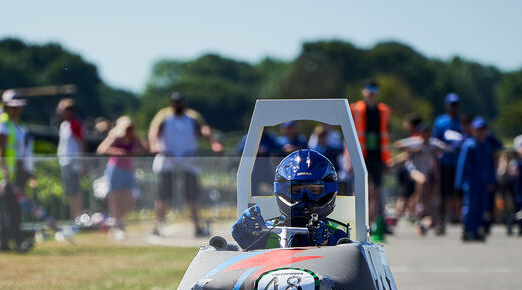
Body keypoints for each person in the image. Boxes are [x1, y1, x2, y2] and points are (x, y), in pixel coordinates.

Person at [232, 149, 347, 250]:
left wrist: (327, 242)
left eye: (314, 191)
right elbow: (244, 242)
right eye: (296, 191)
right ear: (282, 190)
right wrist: (244, 227)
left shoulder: (336, 235)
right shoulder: (267, 230)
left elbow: (348, 257)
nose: (304, 197)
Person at [148, 92, 223, 237]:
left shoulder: (193, 116)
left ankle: (197, 226)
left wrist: (214, 143)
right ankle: (157, 226)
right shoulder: (163, 115)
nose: (177, 104)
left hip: (188, 161)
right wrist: (154, 145)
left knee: (192, 196)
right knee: (164, 197)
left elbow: (204, 129)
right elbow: (154, 130)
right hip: (167, 160)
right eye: (174, 102)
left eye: (179, 101)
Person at [0, 89, 35, 253]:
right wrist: (5, 176)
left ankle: (4, 243)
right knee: (11, 210)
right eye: (14, 106)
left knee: (11, 209)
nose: (18, 109)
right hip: (6, 175)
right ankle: (16, 242)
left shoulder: (15, 125)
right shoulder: (3, 125)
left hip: (15, 174)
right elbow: (1, 152)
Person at [350, 79, 391, 242]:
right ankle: (360, 221)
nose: (371, 92)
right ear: (363, 91)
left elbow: (386, 135)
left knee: (377, 192)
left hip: (378, 157)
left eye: (374, 89)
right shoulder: (357, 109)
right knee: (362, 191)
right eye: (369, 89)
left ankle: (377, 223)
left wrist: (387, 160)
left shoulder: (383, 111)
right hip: (362, 156)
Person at [96, 116, 148, 240]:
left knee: (130, 200)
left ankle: (115, 222)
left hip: (129, 170)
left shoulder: (134, 137)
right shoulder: (115, 136)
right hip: (115, 170)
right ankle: (116, 227)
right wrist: (121, 152)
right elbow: (101, 149)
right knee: (114, 199)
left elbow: (145, 148)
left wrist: (135, 152)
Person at [393, 123, 447, 235]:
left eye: (428, 135)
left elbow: (446, 147)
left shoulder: (433, 143)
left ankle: (429, 216)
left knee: (430, 195)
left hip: (428, 174)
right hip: (414, 171)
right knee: (421, 181)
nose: (425, 138)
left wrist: (436, 151)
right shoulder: (415, 142)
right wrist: (413, 149)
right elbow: (398, 144)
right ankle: (418, 205)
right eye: (424, 135)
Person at [455, 117, 496, 241]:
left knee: (481, 207)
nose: (481, 132)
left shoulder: (486, 146)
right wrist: (459, 182)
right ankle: (467, 230)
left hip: (483, 181)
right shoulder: (469, 145)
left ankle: (477, 230)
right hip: (472, 181)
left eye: (483, 129)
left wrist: (491, 181)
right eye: (478, 129)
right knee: (470, 206)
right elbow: (462, 165)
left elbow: (490, 166)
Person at [433, 93, 465, 234]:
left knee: (459, 193)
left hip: (459, 163)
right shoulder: (441, 122)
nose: (454, 108)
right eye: (451, 105)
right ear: (447, 105)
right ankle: (441, 221)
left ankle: (461, 221)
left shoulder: (462, 122)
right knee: (443, 193)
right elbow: (435, 142)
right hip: (445, 162)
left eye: (456, 105)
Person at [56, 98, 87, 222]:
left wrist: (83, 163)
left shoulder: (75, 124)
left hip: (73, 163)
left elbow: (82, 143)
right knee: (70, 192)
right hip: (65, 162)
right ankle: (74, 218)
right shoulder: (64, 125)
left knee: (75, 192)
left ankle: (77, 219)